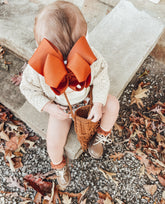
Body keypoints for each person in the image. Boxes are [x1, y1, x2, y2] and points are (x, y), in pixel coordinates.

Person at [20, 0, 120, 189]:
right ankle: (58, 164)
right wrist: (49, 107)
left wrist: (98, 103)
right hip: (61, 108)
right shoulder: (37, 67)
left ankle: (100, 136)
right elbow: (28, 88)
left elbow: (101, 77)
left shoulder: (90, 56)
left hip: (88, 98)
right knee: (54, 140)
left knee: (112, 104)